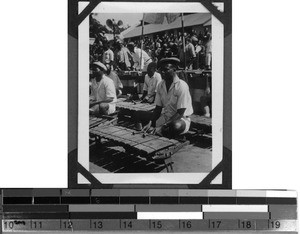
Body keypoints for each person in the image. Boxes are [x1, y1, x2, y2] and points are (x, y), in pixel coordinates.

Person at [143, 57, 193, 137]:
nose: (162, 72)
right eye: (161, 70)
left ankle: (161, 131)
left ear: (174, 69)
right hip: (166, 117)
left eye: (166, 69)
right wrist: (151, 123)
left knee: (175, 126)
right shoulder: (160, 85)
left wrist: (162, 126)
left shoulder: (182, 86)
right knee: (143, 117)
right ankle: (160, 131)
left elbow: (180, 113)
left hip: (180, 119)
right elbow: (158, 108)